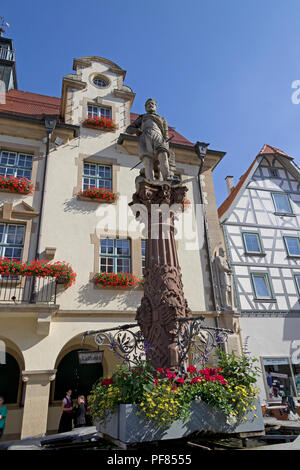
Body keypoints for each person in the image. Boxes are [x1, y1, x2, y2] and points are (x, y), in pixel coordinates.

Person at [126, 98, 172, 181]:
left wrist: (166, 143)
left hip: (159, 137)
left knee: (163, 156)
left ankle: (167, 178)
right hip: (145, 137)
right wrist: (136, 131)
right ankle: (150, 180)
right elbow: (129, 129)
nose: (150, 105)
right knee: (148, 160)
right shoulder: (142, 117)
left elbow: (166, 134)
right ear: (145, 107)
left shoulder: (162, 119)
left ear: (156, 106)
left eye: (152, 104)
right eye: (148, 104)